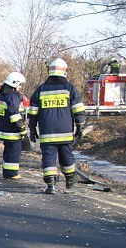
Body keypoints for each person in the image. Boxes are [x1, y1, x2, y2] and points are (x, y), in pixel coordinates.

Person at [28, 58, 86, 194]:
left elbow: (33, 111)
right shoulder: (69, 88)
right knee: (67, 156)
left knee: (48, 156)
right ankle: (70, 178)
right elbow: (78, 108)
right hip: (65, 131)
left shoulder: (41, 90)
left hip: (47, 131)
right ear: (64, 72)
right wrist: (80, 125)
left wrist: (32, 127)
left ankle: (51, 185)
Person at [0, 72, 28, 180]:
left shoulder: (3, 96)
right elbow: (14, 114)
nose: (20, 87)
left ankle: (7, 172)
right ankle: (12, 173)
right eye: (20, 85)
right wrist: (22, 128)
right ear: (15, 84)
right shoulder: (12, 97)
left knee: (8, 152)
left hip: (4, 129)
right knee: (14, 152)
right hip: (13, 131)